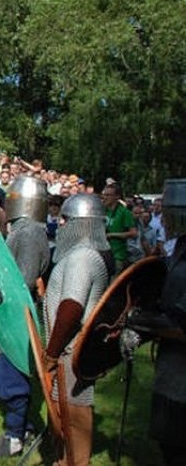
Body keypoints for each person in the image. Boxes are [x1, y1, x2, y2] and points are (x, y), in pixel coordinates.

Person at [0, 177, 50, 457]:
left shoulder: (30, 231)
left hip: (16, 315)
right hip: (8, 312)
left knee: (11, 378)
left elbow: (24, 280)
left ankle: (13, 437)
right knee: (8, 373)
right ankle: (26, 426)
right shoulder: (21, 228)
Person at [43, 193, 113, 466]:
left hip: (71, 353)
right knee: (62, 420)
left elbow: (71, 307)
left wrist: (52, 352)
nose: (60, 224)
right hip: (68, 351)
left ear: (81, 224)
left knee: (73, 420)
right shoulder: (87, 254)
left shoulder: (83, 257)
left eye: (66, 219)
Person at [125, 179, 186, 465]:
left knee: (178, 445)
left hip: (181, 366)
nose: (166, 220)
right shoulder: (178, 253)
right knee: (169, 442)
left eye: (171, 214)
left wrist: (142, 323)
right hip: (172, 361)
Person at [101, 183, 136, 275]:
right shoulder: (102, 211)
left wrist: (112, 235)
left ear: (117, 197)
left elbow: (133, 233)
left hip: (117, 256)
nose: (104, 197)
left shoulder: (125, 212)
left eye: (108, 195)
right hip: (101, 254)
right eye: (104, 194)